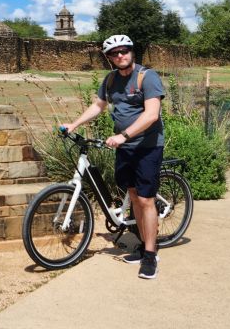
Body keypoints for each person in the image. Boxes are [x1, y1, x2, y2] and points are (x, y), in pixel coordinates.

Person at [63, 34, 165, 279]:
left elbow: (152, 114)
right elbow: (98, 106)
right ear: (109, 58)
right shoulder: (109, 80)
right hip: (125, 149)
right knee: (132, 194)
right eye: (115, 53)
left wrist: (124, 136)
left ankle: (150, 255)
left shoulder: (146, 77)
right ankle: (142, 243)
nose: (120, 55)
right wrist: (74, 125)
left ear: (132, 52)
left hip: (147, 147)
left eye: (124, 51)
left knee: (145, 200)